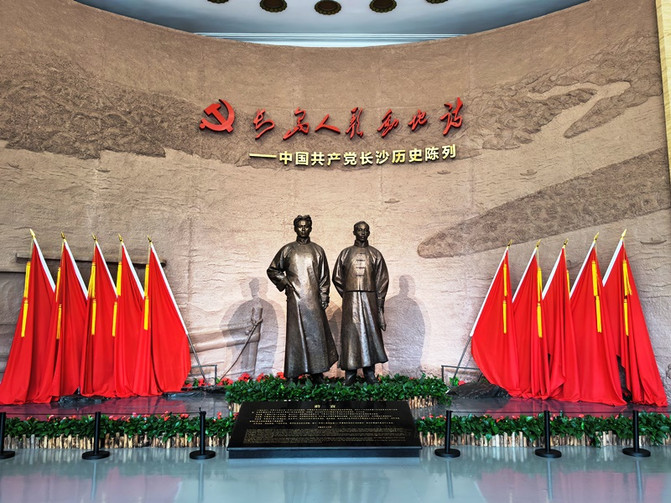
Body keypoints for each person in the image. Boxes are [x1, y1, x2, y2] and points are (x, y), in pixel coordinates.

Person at [267, 215, 338, 383]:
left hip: (313, 300)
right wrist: (285, 282)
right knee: (295, 337)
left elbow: (324, 277)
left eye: (306, 226)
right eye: (300, 226)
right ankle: (293, 374)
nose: (303, 229)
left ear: (311, 228)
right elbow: (273, 270)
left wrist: (324, 295)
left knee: (316, 335)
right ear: (295, 228)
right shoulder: (287, 250)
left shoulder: (318, 250)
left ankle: (317, 373)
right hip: (295, 300)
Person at [332, 221, 389, 385]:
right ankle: (350, 374)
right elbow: (337, 277)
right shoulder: (345, 253)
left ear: (369, 232)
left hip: (370, 300)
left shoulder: (375, 254)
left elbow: (382, 280)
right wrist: (348, 294)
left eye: (365, 230)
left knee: (370, 334)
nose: (362, 233)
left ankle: (369, 373)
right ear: (354, 232)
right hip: (351, 300)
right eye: (359, 230)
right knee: (351, 336)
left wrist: (378, 302)